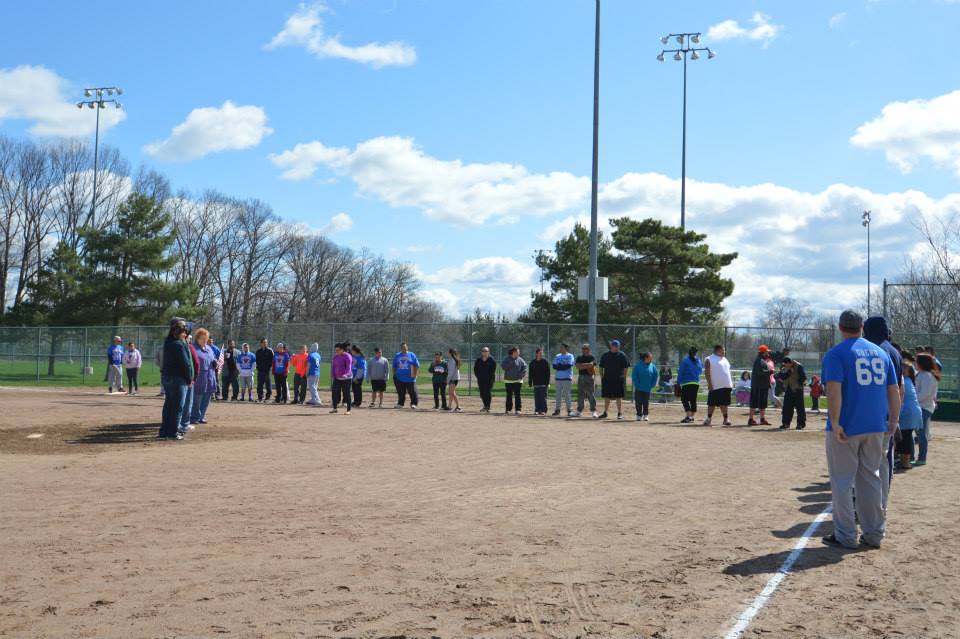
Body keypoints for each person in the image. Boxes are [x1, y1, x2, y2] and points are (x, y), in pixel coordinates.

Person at [821, 310, 900, 550]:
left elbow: (833, 390)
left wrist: (835, 422)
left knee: (843, 482)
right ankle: (874, 533)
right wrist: (893, 421)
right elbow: (894, 391)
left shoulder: (837, 353)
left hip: (847, 427)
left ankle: (845, 535)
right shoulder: (880, 352)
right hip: (876, 426)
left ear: (840, 327)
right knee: (871, 479)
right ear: (862, 326)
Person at [863, 315, 903, 508]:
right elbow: (898, 389)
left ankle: (877, 505)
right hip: (888, 415)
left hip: (877, 415)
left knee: (875, 463)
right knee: (883, 461)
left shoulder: (876, 350)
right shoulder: (894, 351)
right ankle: (879, 503)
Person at [159, 319, 192, 440]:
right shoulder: (179, 345)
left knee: (168, 405)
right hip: (178, 379)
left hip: (167, 377)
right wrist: (189, 380)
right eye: (184, 332)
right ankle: (173, 432)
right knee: (178, 407)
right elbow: (186, 364)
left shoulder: (168, 342)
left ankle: (164, 431)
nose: (185, 334)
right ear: (178, 332)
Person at [896, 352, 922, 471]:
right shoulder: (909, 381)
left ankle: (905, 462)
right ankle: (904, 461)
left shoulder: (904, 382)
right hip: (912, 412)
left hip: (908, 413)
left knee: (905, 438)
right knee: (905, 437)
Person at [190, 328, 218, 425]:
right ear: (197, 338)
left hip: (210, 377)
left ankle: (201, 416)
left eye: (206, 338)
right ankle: (194, 417)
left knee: (206, 398)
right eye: (202, 338)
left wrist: (215, 362)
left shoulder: (209, 348)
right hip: (199, 378)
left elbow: (213, 358)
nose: (204, 340)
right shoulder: (193, 348)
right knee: (197, 399)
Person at [914, 353, 939, 467]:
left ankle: (922, 458)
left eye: (916, 361)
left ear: (921, 363)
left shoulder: (927, 376)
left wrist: (912, 401)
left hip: (924, 407)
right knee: (919, 433)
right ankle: (919, 457)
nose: (915, 363)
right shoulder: (922, 374)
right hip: (921, 407)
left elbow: (925, 393)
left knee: (922, 433)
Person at [598, 340, 630, 420]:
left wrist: (624, 377)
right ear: (611, 346)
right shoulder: (605, 355)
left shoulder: (622, 355)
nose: (616, 347)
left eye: (617, 346)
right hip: (607, 379)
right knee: (607, 396)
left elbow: (626, 367)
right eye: (614, 345)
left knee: (618, 396)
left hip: (618, 379)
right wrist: (602, 377)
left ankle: (619, 413)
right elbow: (601, 367)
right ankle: (605, 412)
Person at [703, 344, 733, 426]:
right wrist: (709, 384)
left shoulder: (725, 359)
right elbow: (707, 372)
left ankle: (726, 419)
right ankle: (708, 418)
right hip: (715, 385)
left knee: (724, 403)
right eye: (723, 350)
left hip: (726, 385)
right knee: (711, 403)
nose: (724, 351)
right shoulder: (709, 359)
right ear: (718, 350)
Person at [777, 357, 808, 430]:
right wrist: (783, 372)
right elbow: (783, 377)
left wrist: (799, 385)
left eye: (786, 364)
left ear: (790, 362)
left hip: (798, 390)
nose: (785, 365)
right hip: (788, 389)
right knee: (786, 407)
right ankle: (786, 423)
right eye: (784, 364)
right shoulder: (784, 367)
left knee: (800, 408)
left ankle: (800, 424)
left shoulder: (799, 366)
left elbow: (803, 377)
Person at [180, 332, 200, 435]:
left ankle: (178, 424)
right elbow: (196, 363)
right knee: (187, 403)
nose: (190, 340)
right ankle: (184, 424)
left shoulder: (175, 345)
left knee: (178, 403)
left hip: (177, 379)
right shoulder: (188, 347)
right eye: (189, 338)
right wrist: (194, 378)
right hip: (187, 380)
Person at [748, 346, 774, 426]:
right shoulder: (760, 360)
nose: (768, 353)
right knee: (756, 403)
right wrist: (771, 371)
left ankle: (761, 419)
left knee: (759, 403)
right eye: (767, 352)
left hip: (759, 385)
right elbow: (761, 372)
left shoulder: (761, 360)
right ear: (763, 352)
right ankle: (751, 419)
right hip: (760, 385)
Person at [677, 347, 703, 424]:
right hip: (696, 383)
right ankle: (691, 416)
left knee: (684, 399)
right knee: (693, 400)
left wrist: (678, 382)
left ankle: (688, 416)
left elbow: (681, 372)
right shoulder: (698, 360)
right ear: (696, 353)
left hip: (687, 383)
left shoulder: (685, 360)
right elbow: (700, 371)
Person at [631, 352, 658, 422]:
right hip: (639, 388)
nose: (651, 359)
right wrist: (637, 384)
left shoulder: (653, 366)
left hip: (647, 388)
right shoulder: (638, 366)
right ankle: (638, 415)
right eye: (650, 358)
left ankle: (646, 415)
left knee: (646, 402)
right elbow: (634, 376)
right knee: (638, 402)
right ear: (646, 358)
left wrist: (653, 384)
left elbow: (655, 375)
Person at [392, 342, 420, 409]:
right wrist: (395, 375)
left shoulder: (411, 354)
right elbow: (394, 366)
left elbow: (416, 365)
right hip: (399, 378)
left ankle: (414, 404)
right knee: (400, 392)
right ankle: (400, 404)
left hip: (410, 378)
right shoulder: (397, 355)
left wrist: (415, 374)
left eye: (405, 347)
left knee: (412, 391)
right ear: (400, 348)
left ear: (407, 347)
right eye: (402, 347)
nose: (403, 348)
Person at [574, 344, 598, 418]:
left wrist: (582, 365)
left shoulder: (592, 357)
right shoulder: (579, 357)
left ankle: (593, 411)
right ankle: (579, 411)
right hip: (581, 377)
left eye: (586, 348)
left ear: (589, 349)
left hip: (589, 377)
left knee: (590, 394)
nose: (584, 350)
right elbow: (577, 366)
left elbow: (591, 365)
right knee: (580, 394)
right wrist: (587, 365)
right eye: (583, 348)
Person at [501, 346, 527, 415]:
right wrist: (511, 362)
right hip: (508, 380)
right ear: (514, 352)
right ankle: (508, 409)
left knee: (517, 395)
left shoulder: (520, 359)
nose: (519, 353)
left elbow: (525, 367)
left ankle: (518, 409)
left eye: (519, 352)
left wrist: (521, 375)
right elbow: (503, 367)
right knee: (509, 396)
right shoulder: (507, 359)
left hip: (518, 381)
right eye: (518, 352)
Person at [551, 343, 575, 417]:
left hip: (567, 378)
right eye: (560, 347)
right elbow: (554, 366)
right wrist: (562, 367)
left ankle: (569, 410)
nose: (560, 349)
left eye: (562, 347)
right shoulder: (557, 356)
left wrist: (560, 367)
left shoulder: (570, 356)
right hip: (558, 378)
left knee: (567, 394)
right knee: (558, 395)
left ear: (566, 348)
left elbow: (569, 365)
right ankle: (557, 410)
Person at [330, 343, 353, 414]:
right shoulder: (335, 357)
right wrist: (332, 374)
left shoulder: (347, 356)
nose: (336, 351)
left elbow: (348, 367)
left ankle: (348, 410)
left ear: (342, 350)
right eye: (335, 350)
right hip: (337, 378)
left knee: (346, 393)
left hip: (346, 378)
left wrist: (345, 374)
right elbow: (333, 367)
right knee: (334, 392)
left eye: (338, 350)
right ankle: (334, 408)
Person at [474, 347, 496, 413]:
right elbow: (475, 369)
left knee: (487, 392)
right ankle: (485, 405)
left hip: (489, 380)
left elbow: (493, 369)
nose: (484, 352)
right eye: (483, 351)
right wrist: (478, 376)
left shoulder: (491, 360)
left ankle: (488, 406)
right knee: (482, 393)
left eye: (486, 351)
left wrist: (489, 377)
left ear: (488, 352)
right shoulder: (478, 360)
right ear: (481, 352)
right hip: (481, 379)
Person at [529, 348, 550, 415]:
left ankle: (543, 410)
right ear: (536, 354)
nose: (541, 354)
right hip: (536, 383)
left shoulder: (545, 362)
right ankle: (537, 410)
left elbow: (548, 373)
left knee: (543, 398)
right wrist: (530, 382)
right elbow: (530, 373)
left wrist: (548, 383)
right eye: (540, 353)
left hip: (544, 383)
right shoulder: (532, 363)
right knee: (537, 398)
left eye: (542, 353)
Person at [255, 338, 274, 403]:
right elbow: (256, 361)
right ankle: (260, 397)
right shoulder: (258, 351)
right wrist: (258, 368)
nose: (265, 343)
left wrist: (269, 368)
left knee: (268, 384)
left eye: (266, 342)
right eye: (264, 342)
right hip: (260, 371)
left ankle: (267, 398)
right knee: (260, 384)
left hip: (267, 370)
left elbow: (272, 361)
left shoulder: (270, 351)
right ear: (261, 343)